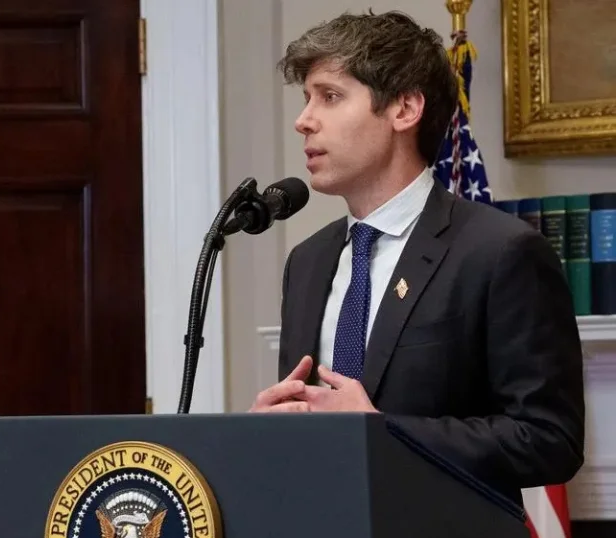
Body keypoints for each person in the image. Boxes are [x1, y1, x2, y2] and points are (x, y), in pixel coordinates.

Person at [251, 11, 585, 507]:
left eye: (331, 96)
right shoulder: (308, 261)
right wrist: (267, 427)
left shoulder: (500, 251)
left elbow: (549, 439)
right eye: (307, 99)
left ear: (404, 108)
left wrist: (384, 433)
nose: (304, 120)